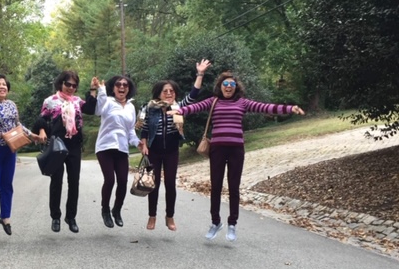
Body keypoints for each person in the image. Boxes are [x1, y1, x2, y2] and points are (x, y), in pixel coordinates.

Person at [169, 71, 305, 242]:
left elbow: (265, 107)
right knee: (216, 186)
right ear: (220, 87)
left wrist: (289, 108)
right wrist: (178, 111)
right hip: (217, 149)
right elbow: (194, 107)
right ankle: (215, 222)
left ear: (236, 87)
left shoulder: (242, 103)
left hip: (236, 150)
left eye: (232, 84)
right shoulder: (213, 101)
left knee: (234, 187)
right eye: (225, 84)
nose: (228, 87)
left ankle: (232, 224)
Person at [138, 59, 212, 231]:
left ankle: (169, 216)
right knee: (152, 184)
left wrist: (200, 74)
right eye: (165, 91)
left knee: (170, 184)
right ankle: (152, 216)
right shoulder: (149, 108)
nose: (169, 93)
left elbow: (193, 94)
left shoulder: (179, 107)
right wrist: (144, 144)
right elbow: (145, 129)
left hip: (171, 151)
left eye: (171, 91)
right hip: (153, 151)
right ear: (159, 93)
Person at [0, 73, 41, 237]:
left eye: (4, 84)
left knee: (7, 184)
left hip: (10, 149)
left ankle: (5, 217)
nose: (2, 87)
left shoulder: (11, 105)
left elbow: (17, 125)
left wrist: (31, 135)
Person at [32, 71, 98, 233]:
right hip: (57, 145)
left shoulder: (77, 101)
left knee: (74, 181)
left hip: (74, 145)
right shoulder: (51, 101)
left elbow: (90, 109)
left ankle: (71, 217)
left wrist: (93, 90)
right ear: (61, 83)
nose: (70, 88)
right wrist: (42, 130)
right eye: (67, 84)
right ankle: (55, 217)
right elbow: (41, 119)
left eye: (74, 85)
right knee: (56, 181)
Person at [93, 75, 141, 228]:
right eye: (118, 84)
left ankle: (117, 210)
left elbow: (130, 130)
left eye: (125, 85)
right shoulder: (107, 101)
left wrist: (137, 143)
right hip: (105, 146)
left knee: (123, 181)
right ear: (113, 88)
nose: (122, 87)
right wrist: (100, 90)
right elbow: (98, 111)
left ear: (129, 89)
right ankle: (105, 210)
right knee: (110, 180)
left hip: (122, 148)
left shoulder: (131, 107)